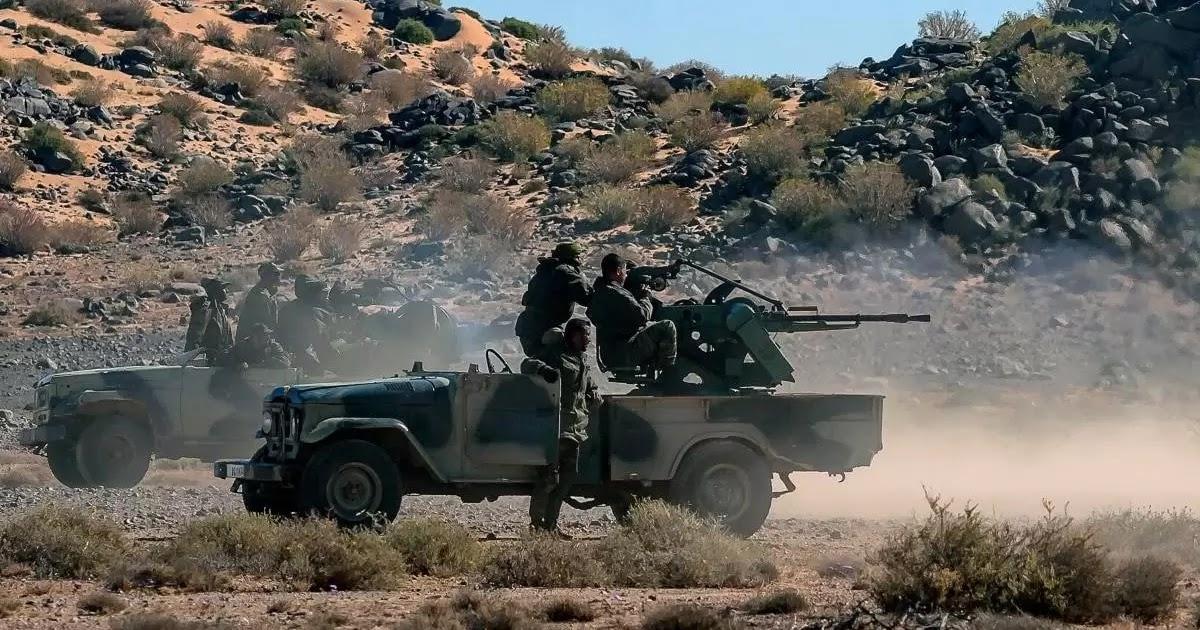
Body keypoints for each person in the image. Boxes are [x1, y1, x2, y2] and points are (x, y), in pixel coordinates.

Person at [520, 318, 599, 535]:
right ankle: (537, 525)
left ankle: (550, 525)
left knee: (566, 481)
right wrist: (545, 370)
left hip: (574, 430)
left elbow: (588, 384)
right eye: (584, 335)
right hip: (554, 428)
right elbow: (527, 364)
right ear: (573, 335)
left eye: (589, 335)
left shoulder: (581, 359)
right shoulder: (556, 354)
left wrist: (593, 392)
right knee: (548, 479)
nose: (588, 339)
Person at [586, 253, 677, 372]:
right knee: (667, 326)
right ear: (618, 271)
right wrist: (646, 296)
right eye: (625, 271)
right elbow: (643, 316)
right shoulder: (617, 294)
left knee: (648, 327)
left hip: (609, 356)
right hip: (626, 353)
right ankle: (668, 373)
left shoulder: (600, 291)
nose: (626, 275)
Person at [514, 242, 593, 358]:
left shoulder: (545, 270)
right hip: (544, 330)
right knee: (569, 353)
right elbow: (587, 298)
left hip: (527, 329)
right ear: (575, 258)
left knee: (542, 360)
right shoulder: (566, 272)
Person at [278, 276, 338, 373]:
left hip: (294, 353)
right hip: (298, 355)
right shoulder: (312, 312)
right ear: (315, 295)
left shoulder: (295, 306)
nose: (326, 297)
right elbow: (319, 341)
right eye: (323, 294)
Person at [185, 277, 235, 364]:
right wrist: (190, 359)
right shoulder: (206, 310)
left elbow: (228, 339)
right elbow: (195, 336)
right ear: (216, 291)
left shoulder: (221, 310)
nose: (226, 291)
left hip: (221, 358)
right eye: (223, 288)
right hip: (208, 360)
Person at [235, 262, 282, 343]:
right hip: (253, 343)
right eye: (276, 274)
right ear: (269, 276)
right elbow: (264, 324)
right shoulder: (259, 296)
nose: (279, 277)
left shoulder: (266, 293)